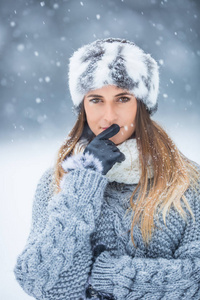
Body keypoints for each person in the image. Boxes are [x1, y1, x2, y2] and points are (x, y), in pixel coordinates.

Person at [14, 38, 200, 300]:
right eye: (96, 100)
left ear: (142, 105)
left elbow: (195, 281)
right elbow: (41, 281)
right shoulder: (58, 181)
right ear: (82, 107)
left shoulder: (186, 181)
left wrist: (106, 275)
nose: (109, 116)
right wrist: (85, 179)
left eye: (123, 98)